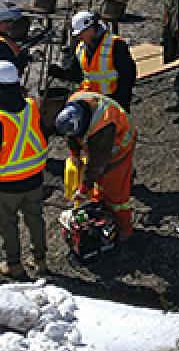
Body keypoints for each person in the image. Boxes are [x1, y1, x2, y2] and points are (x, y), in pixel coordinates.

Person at [0, 60, 47, 279]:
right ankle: (40, 260)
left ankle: (14, 265)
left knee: (9, 224)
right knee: (35, 219)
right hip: (34, 178)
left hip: (8, 184)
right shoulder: (31, 106)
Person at [55, 90, 137, 239]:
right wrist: (75, 154)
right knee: (98, 185)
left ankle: (124, 229)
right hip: (100, 144)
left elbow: (97, 164)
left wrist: (84, 187)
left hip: (119, 148)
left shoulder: (102, 126)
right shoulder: (73, 104)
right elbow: (72, 136)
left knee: (115, 190)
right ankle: (102, 210)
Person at [49, 11, 136, 111]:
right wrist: (60, 73)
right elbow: (77, 74)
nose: (79, 37)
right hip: (88, 99)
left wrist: (120, 102)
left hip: (111, 101)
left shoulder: (115, 45)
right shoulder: (80, 47)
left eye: (81, 33)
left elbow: (128, 76)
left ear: (92, 28)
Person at [0, 1, 30, 74]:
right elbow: (12, 66)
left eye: (11, 21)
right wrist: (25, 59)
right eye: (6, 21)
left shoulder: (2, 36)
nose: (10, 24)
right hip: (3, 82)